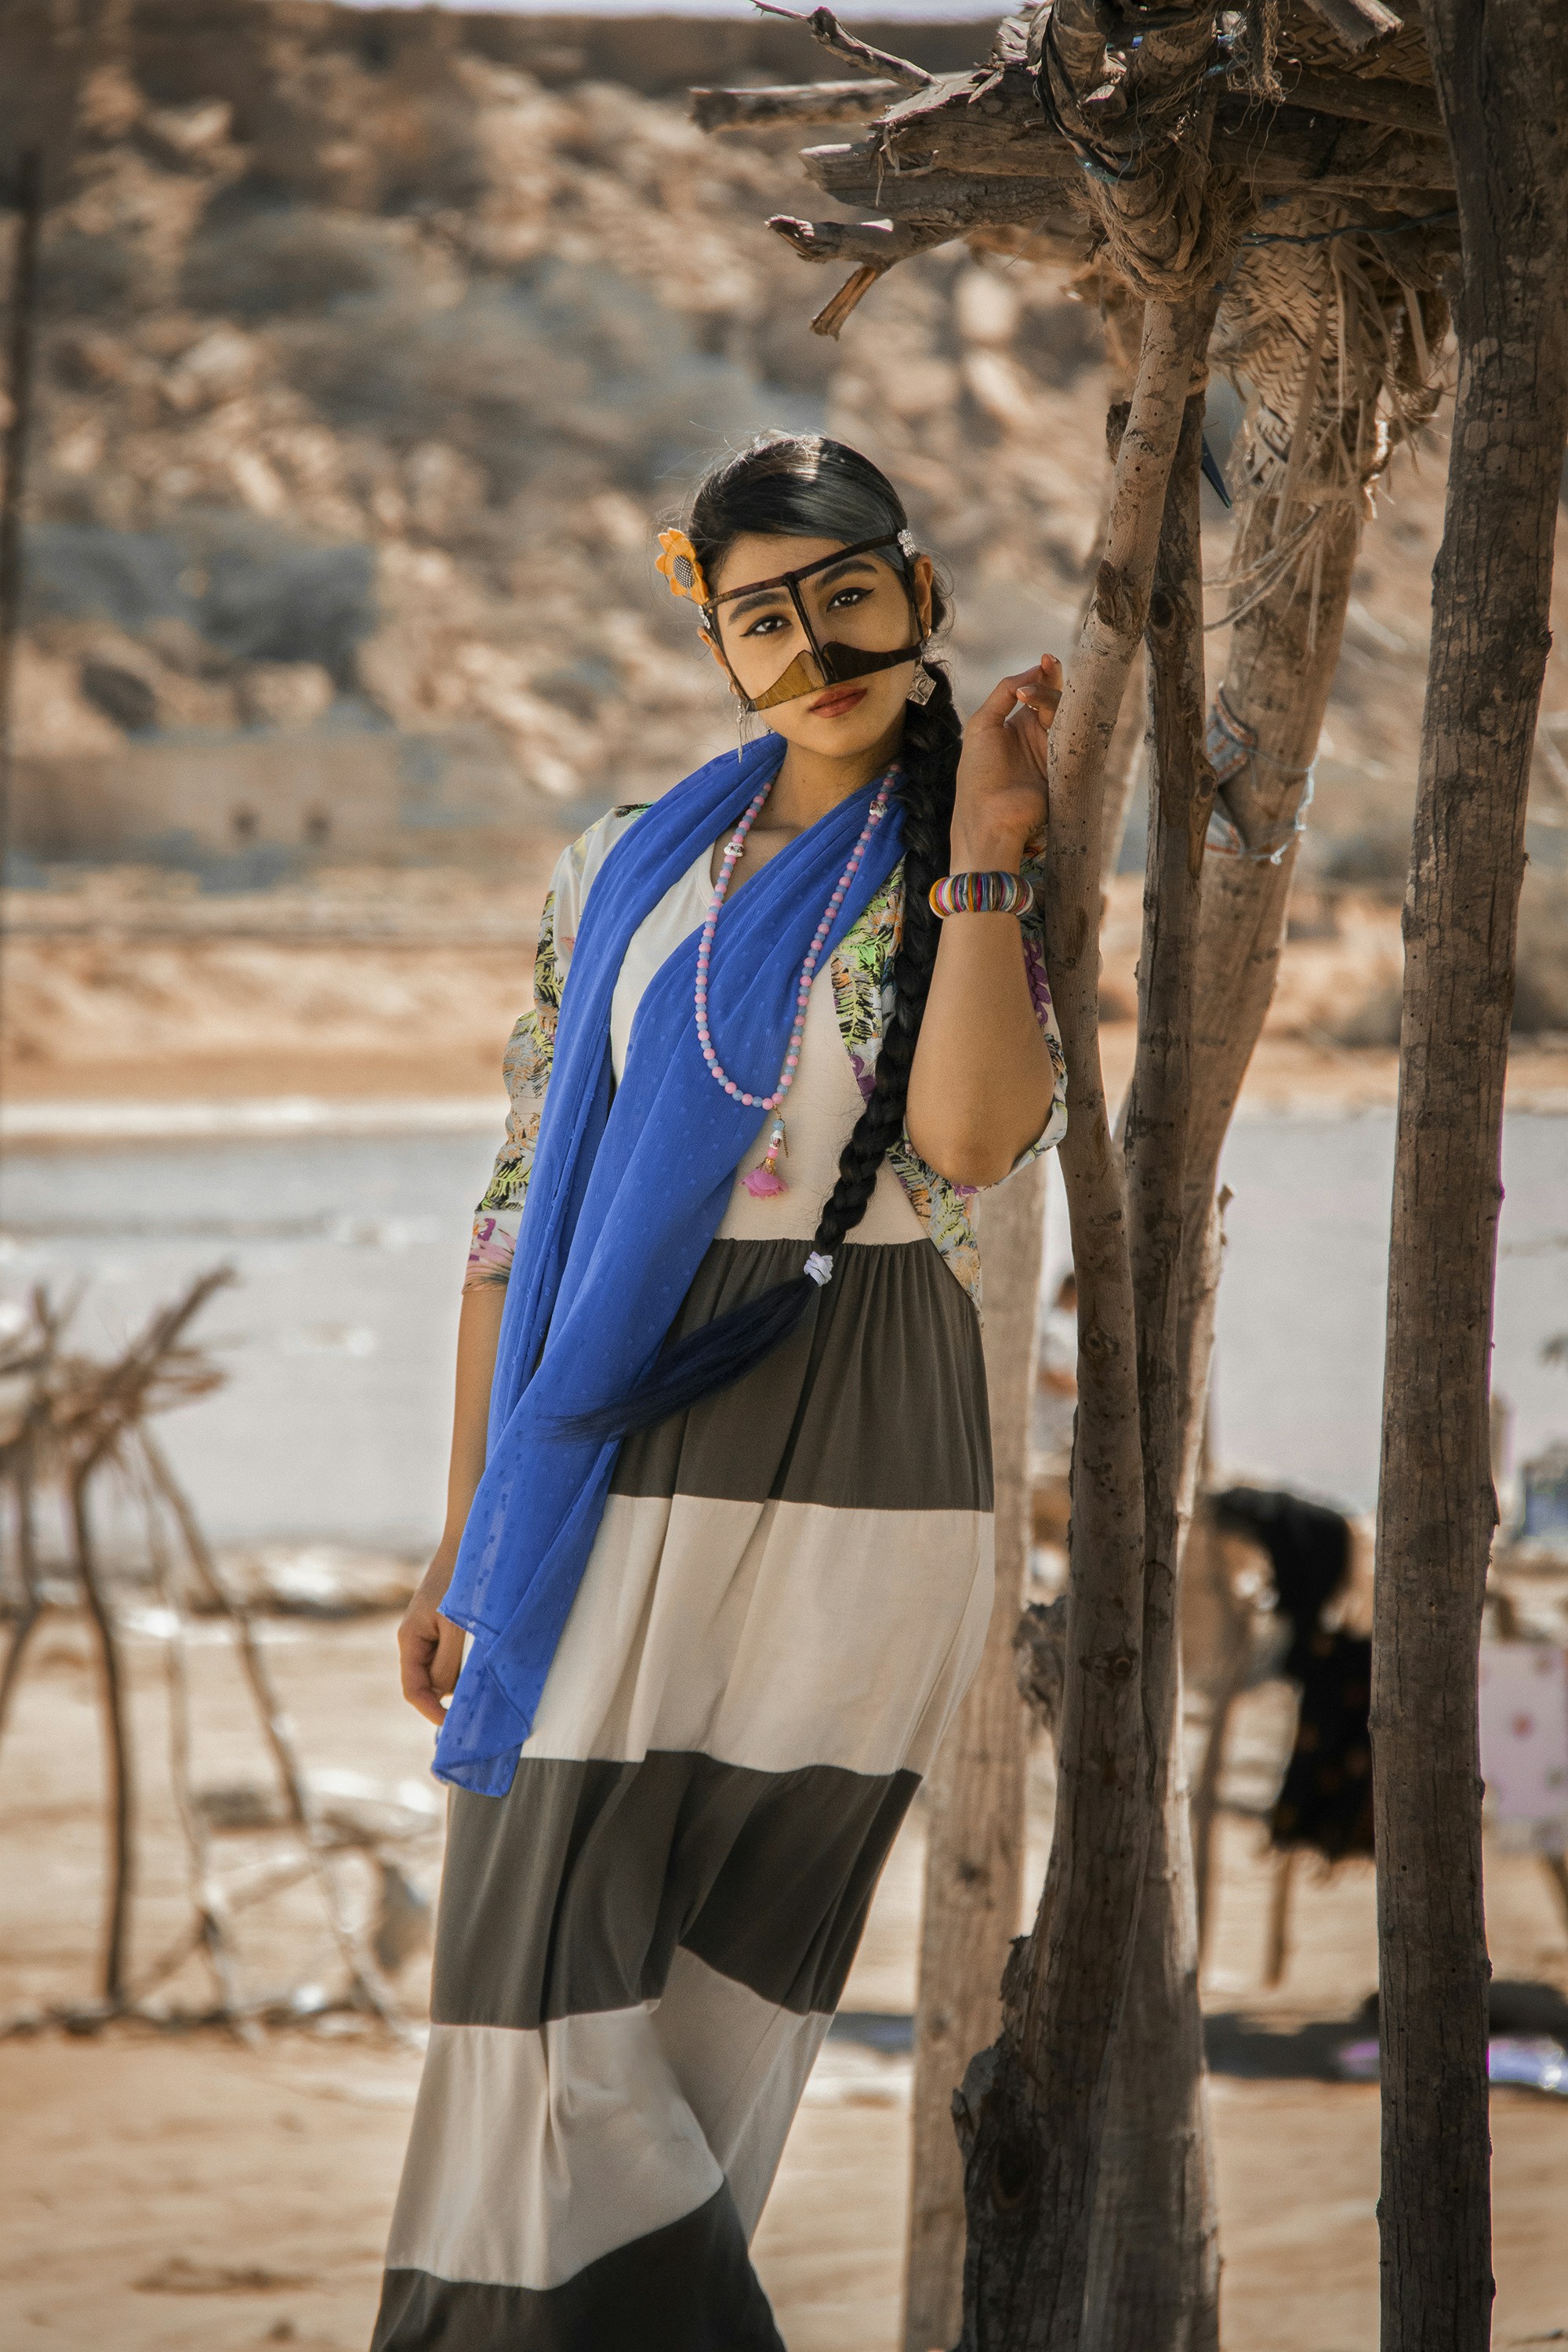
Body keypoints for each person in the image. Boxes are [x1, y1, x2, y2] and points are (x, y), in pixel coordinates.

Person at [373, 432, 1068, 2351]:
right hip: (611, 1432)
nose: (813, 648)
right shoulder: (617, 864)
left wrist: (989, 859)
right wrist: (461, 1528)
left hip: (866, 1443)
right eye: (763, 616)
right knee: (533, 1984)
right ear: (712, 637)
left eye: (845, 594)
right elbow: (516, 1206)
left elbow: (971, 1146)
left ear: (916, 592)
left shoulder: (980, 841)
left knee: (711, 2021)